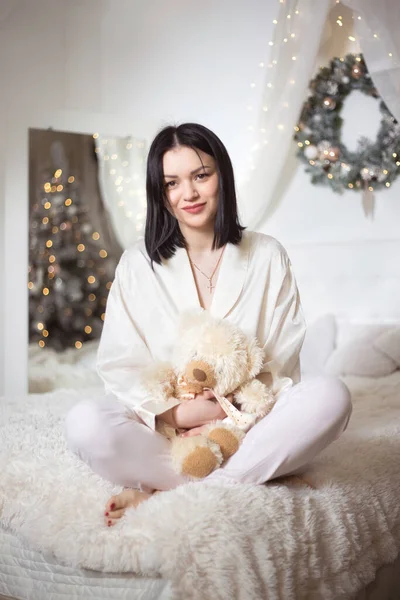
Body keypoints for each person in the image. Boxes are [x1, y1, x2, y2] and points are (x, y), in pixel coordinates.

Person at [64, 122, 352, 527]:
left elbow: (281, 363)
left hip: (249, 428)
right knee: (84, 422)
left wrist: (226, 414)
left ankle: (173, 491)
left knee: (331, 396)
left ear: (222, 177)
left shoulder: (268, 255)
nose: (190, 194)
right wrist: (181, 415)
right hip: (166, 430)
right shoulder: (137, 264)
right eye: (172, 183)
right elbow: (119, 365)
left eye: (201, 175)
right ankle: (231, 481)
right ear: (160, 193)